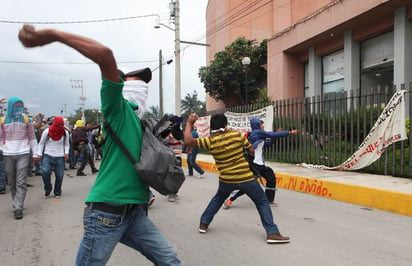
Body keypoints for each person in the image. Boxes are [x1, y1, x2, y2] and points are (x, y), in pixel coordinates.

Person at [18, 24, 180, 265]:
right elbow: (105, 56)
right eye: (136, 79)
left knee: (169, 260)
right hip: (106, 213)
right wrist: (53, 35)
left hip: (133, 213)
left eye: (145, 81)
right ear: (120, 83)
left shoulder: (141, 124)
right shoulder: (118, 110)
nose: (143, 86)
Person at [183, 113, 290, 244]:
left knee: (218, 199)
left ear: (212, 127)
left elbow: (188, 141)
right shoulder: (237, 135)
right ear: (225, 124)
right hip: (245, 178)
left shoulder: (209, 141)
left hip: (226, 179)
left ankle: (203, 224)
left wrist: (189, 123)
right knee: (262, 202)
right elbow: (251, 150)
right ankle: (272, 232)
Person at [224, 118, 298, 208]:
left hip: (260, 164)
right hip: (253, 164)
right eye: (261, 124)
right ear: (257, 125)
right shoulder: (256, 133)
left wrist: (274, 136)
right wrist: (289, 132)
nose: (263, 126)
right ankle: (230, 199)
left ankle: (269, 200)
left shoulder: (259, 136)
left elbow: (268, 143)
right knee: (248, 185)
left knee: (270, 177)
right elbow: (270, 134)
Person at [120, 67, 156, 206]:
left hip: (137, 199)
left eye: (143, 84)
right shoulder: (118, 115)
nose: (141, 88)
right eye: (135, 82)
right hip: (117, 200)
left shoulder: (141, 124)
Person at [0, 96, 39, 219]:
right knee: (12, 182)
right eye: (16, 106)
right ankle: (17, 202)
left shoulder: (26, 120)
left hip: (23, 152)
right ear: (11, 106)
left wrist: (36, 153)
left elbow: (32, 137)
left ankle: (18, 208)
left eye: (20, 106)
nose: (19, 108)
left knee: (21, 182)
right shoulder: (3, 121)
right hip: (7, 154)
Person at [37, 116, 70, 198]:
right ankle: (48, 189)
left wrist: (66, 153)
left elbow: (67, 144)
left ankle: (57, 192)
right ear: (54, 123)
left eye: (62, 124)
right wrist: (39, 154)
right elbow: (41, 143)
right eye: (58, 124)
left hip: (60, 156)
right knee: (45, 172)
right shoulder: (47, 131)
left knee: (59, 175)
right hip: (48, 155)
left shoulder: (65, 133)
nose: (60, 126)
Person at [165, 116, 184, 202]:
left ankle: (172, 193)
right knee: (175, 175)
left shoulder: (169, 132)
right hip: (177, 157)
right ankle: (173, 193)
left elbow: (164, 142)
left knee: (173, 175)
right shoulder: (180, 132)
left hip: (172, 157)